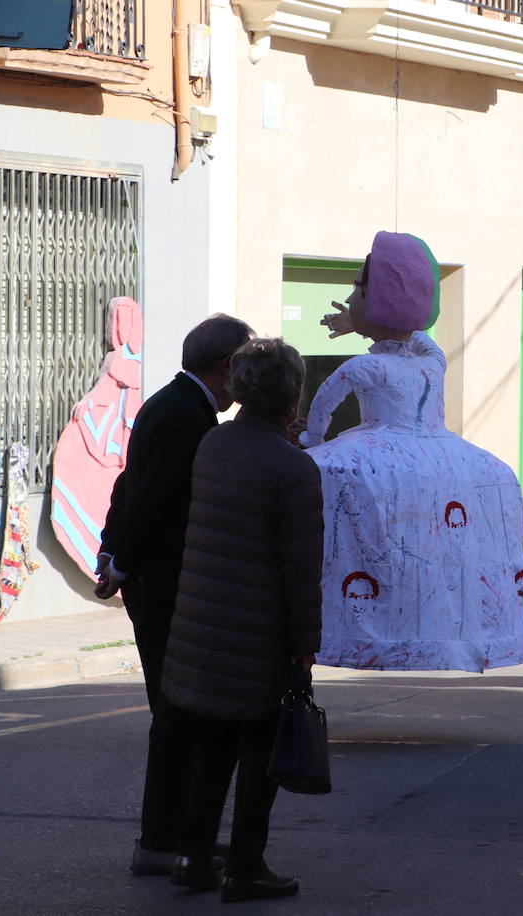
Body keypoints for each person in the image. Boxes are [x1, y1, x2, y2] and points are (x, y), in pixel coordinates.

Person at [300, 231, 523, 672]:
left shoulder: (366, 364)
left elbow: (324, 404)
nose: (351, 297)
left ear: (378, 297)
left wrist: (313, 441)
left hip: (380, 443)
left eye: (359, 289)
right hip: (442, 449)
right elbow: (419, 337)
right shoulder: (433, 359)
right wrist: (370, 319)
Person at [162, 338, 323, 901]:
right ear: (292, 394)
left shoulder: (214, 444)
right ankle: (247, 867)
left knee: (210, 749)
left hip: (203, 624)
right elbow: (301, 567)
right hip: (259, 634)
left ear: (239, 387)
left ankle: (194, 857)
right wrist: (307, 643)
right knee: (260, 759)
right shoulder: (294, 468)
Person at [96, 313, 254, 876]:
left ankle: (179, 835)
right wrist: (120, 560)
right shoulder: (186, 416)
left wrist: (113, 554)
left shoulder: (175, 406)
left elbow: (129, 486)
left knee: (180, 715)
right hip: (167, 585)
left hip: (157, 578)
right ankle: (163, 840)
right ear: (229, 366)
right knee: (177, 716)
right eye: (247, 363)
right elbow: (150, 498)